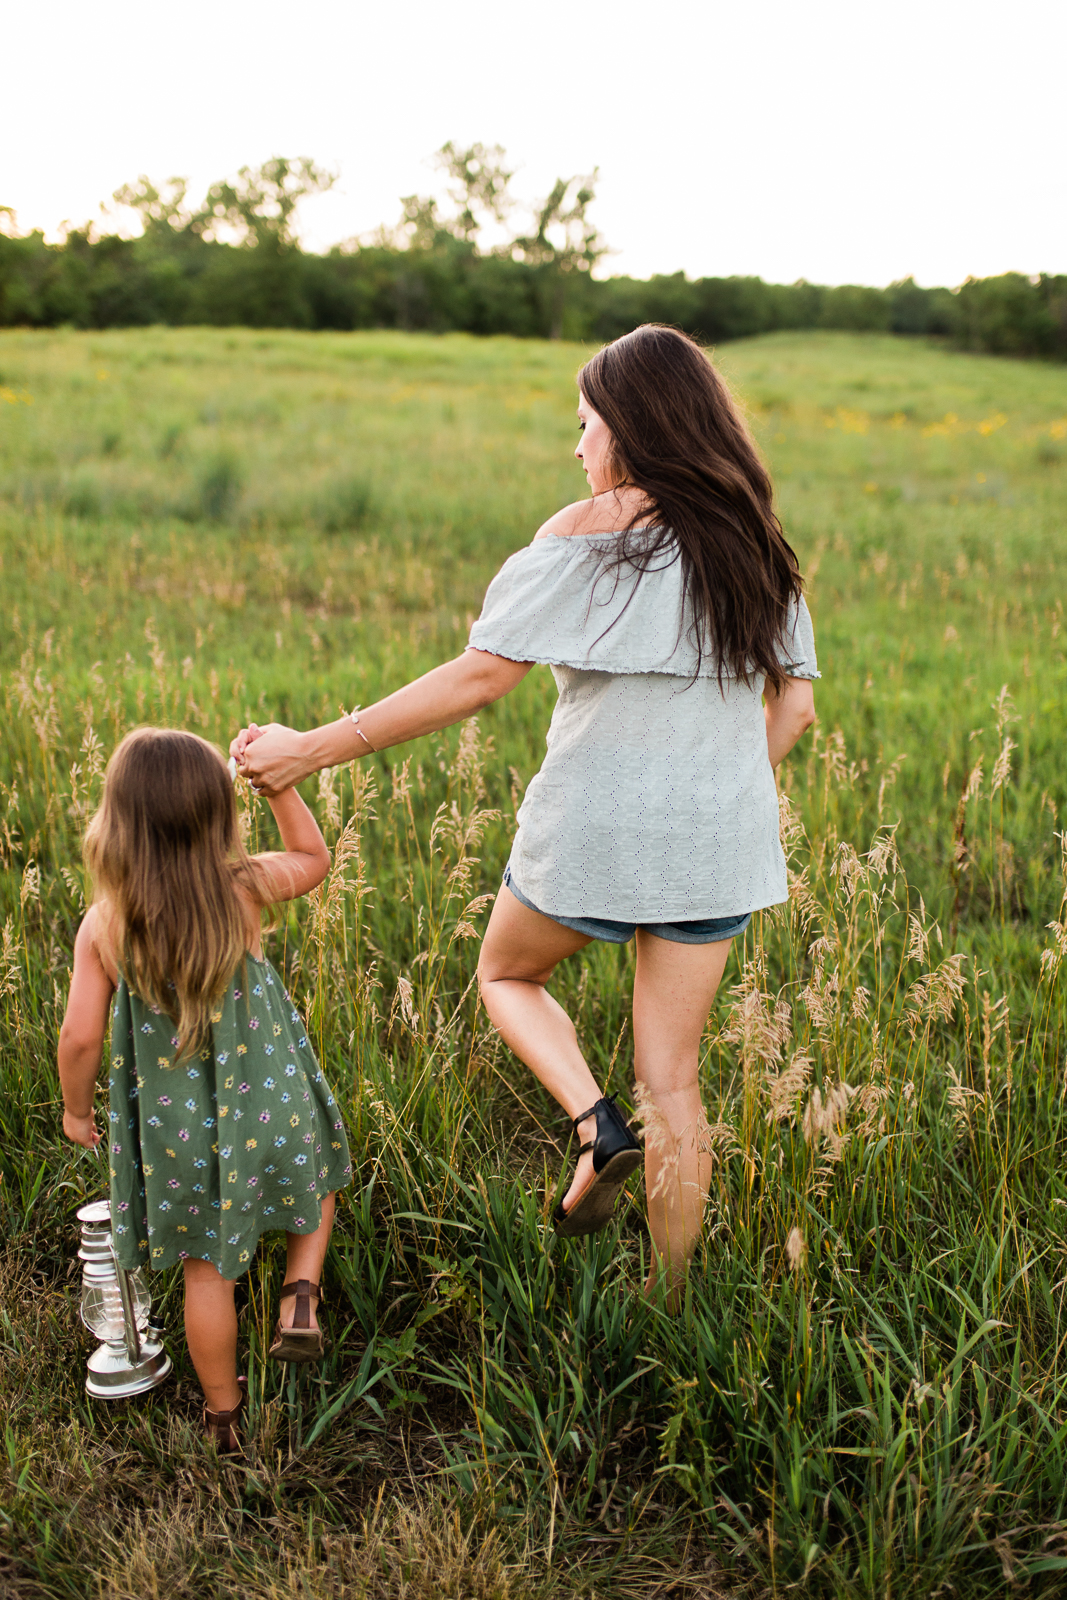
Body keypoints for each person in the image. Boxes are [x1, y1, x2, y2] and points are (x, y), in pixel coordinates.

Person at [233, 324, 817, 1310]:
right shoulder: (754, 543)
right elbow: (792, 709)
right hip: (716, 849)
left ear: (627, 432)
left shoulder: (584, 533)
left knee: (504, 972)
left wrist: (307, 749)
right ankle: (668, 1301)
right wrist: (714, 788)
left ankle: (594, 1122)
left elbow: (479, 678)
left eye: (584, 425)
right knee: (674, 1082)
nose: (576, 446)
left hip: (591, 832)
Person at [59, 728, 352, 1451]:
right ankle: (299, 1294)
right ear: (217, 817)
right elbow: (316, 859)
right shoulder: (243, 887)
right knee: (316, 1180)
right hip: (269, 1101)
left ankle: (222, 1419)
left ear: (116, 822)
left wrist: (74, 1109)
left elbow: (80, 1038)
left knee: (205, 1275)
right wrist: (279, 785)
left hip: (177, 1136)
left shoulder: (106, 923)